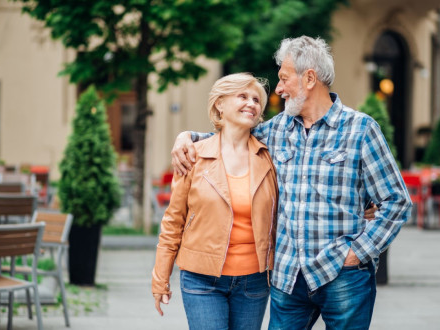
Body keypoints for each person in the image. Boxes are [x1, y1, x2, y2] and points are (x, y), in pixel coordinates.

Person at [171, 35, 412, 329]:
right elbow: (228, 139)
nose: (280, 88)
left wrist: (358, 253)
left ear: (309, 78)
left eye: (284, 79)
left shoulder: (360, 129)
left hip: (343, 276)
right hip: (288, 278)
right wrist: (188, 138)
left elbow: (396, 202)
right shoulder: (275, 130)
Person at [152, 73, 279, 330]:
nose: (251, 103)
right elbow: (173, 220)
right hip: (201, 279)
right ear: (220, 104)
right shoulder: (192, 156)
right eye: (242, 96)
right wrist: (160, 278)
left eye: (256, 99)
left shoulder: (269, 157)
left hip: (254, 280)